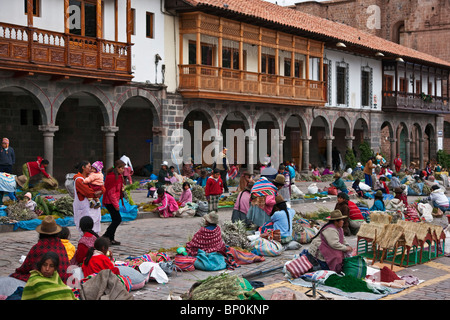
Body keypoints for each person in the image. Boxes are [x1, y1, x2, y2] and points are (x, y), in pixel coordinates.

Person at [10, 215, 70, 283]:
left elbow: (24, 269)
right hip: (64, 281)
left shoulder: (37, 248)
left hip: (45, 281)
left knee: (13, 276)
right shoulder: (61, 246)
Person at [73, 161, 104, 239]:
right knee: (85, 233)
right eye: (89, 166)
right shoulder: (79, 179)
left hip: (93, 210)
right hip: (84, 209)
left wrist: (100, 191)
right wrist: (97, 192)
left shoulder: (91, 177)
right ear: (83, 167)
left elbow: (103, 187)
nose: (91, 168)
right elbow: (89, 193)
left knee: (95, 231)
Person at [102, 159, 125, 245]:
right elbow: (111, 193)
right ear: (118, 168)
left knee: (116, 220)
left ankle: (111, 238)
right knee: (117, 220)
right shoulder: (113, 177)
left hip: (112, 201)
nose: (123, 170)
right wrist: (116, 205)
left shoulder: (116, 176)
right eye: (122, 168)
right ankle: (106, 236)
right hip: (110, 201)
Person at [0, 138, 15, 203]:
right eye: (3, 143)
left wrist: (11, 163)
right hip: (1, 166)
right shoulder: (0, 149)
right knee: (1, 180)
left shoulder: (11, 149)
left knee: (9, 179)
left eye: (5, 143)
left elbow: (13, 157)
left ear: (7, 144)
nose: (3, 145)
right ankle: (1, 193)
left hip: (9, 166)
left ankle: (12, 195)